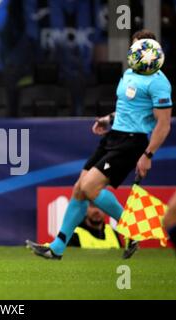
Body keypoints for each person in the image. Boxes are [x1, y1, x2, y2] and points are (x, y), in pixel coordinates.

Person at [32, 29, 173, 260]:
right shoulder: (129, 73)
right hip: (113, 137)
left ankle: (132, 229)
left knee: (90, 188)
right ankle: (56, 248)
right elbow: (128, 109)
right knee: (79, 188)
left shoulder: (159, 83)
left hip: (131, 142)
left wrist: (148, 155)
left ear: (151, 52)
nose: (133, 52)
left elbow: (164, 124)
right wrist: (108, 120)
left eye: (138, 48)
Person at [26, 204, 121, 252]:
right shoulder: (75, 235)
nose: (97, 211)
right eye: (92, 206)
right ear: (85, 208)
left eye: (100, 207)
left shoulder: (113, 232)